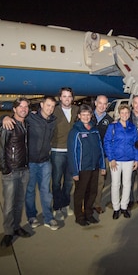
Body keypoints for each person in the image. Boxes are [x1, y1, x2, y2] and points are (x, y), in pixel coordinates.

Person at [2, 96, 59, 230]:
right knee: (30, 192)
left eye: (52, 106)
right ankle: (32, 216)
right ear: (41, 105)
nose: (50, 109)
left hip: (45, 161)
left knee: (46, 191)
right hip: (30, 162)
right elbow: (16, 117)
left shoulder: (53, 121)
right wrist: (4, 117)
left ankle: (48, 218)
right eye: (48, 105)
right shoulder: (31, 118)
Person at [0, 97, 31, 248]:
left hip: (24, 169)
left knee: (19, 202)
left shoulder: (26, 124)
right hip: (11, 171)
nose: (24, 109)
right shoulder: (7, 125)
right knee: (9, 204)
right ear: (14, 109)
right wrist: (5, 169)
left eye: (26, 107)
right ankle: (8, 232)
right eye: (21, 107)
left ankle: (16, 227)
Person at [68, 104, 106, 226]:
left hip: (94, 167)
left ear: (91, 115)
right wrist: (75, 172)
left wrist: (102, 166)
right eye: (83, 114)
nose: (86, 117)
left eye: (88, 114)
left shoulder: (94, 130)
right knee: (80, 193)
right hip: (82, 169)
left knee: (92, 192)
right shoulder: (75, 131)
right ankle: (79, 216)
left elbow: (100, 148)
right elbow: (72, 153)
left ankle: (89, 213)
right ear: (79, 116)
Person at [104, 104, 138, 220]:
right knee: (115, 184)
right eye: (123, 113)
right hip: (116, 160)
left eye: (127, 113)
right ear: (119, 114)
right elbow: (107, 142)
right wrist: (111, 158)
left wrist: (136, 159)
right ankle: (116, 207)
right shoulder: (113, 127)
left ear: (129, 114)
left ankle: (124, 206)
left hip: (129, 159)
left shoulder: (132, 127)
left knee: (127, 183)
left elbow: (136, 144)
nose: (125, 115)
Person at [51, 87, 79, 221]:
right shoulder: (54, 111)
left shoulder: (76, 110)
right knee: (56, 182)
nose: (67, 99)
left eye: (69, 96)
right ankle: (57, 207)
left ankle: (65, 205)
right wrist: (5, 117)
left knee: (68, 182)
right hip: (57, 151)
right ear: (60, 98)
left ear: (72, 98)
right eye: (64, 96)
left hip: (72, 151)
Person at [91, 95, 114, 214]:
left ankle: (97, 203)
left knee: (100, 182)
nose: (102, 106)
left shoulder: (109, 120)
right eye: (100, 103)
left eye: (105, 104)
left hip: (102, 156)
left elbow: (110, 140)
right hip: (88, 156)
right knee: (87, 181)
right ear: (95, 103)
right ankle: (86, 204)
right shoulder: (87, 116)